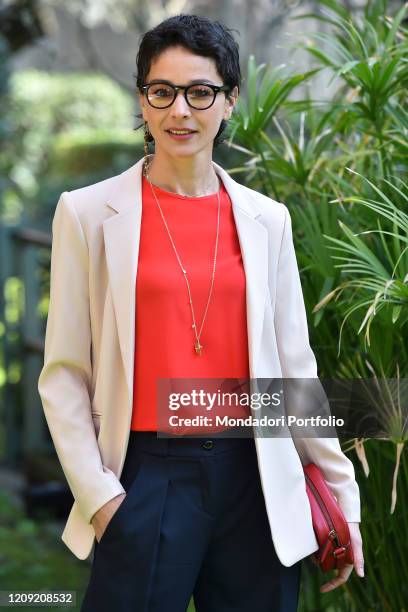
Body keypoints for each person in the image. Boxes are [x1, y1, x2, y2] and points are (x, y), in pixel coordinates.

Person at [37, 13, 364, 612]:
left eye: (200, 92)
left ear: (230, 100)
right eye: (161, 92)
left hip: (255, 476)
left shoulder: (269, 220)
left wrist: (341, 498)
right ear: (142, 99)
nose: (179, 111)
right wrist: (102, 500)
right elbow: (64, 374)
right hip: (145, 477)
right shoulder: (85, 213)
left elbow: (295, 369)